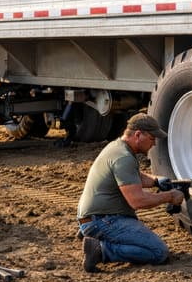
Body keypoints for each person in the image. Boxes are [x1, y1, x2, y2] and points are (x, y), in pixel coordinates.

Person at [76, 113, 184, 272]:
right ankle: (100, 249)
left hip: (93, 216)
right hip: (104, 220)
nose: (153, 144)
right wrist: (169, 197)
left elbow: (131, 176)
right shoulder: (124, 158)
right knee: (158, 252)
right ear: (138, 135)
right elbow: (137, 201)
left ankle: (94, 234)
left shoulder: (116, 147)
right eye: (152, 139)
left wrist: (155, 181)